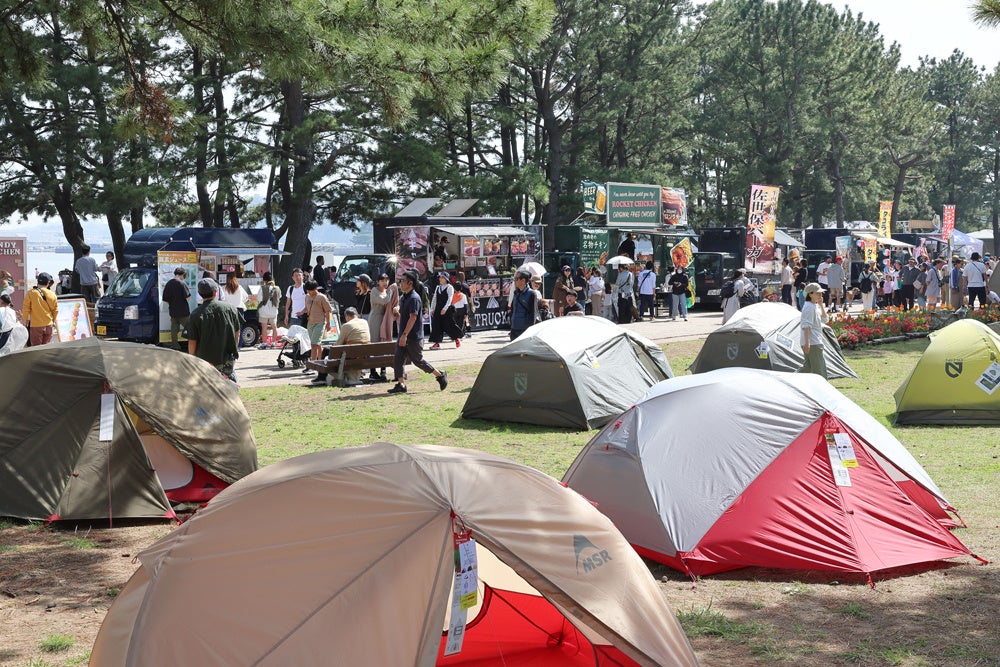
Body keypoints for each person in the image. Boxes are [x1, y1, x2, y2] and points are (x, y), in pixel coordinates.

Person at [388, 270, 447, 394]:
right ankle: (401, 384)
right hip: (404, 335)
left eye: (402, 281)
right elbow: (405, 312)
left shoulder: (414, 298)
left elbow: (413, 318)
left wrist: (404, 335)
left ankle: (440, 375)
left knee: (418, 361)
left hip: (413, 337)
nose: (400, 283)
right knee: (398, 359)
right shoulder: (404, 297)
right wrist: (398, 309)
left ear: (410, 283)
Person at [187, 278, 240, 382]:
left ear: (199, 293)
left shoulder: (195, 314)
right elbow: (237, 333)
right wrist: (235, 352)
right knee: (228, 387)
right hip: (226, 361)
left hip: (204, 363)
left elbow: (192, 342)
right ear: (215, 292)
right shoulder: (230, 309)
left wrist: (192, 360)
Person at [316, 307, 371, 386]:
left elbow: (338, 344)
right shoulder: (365, 322)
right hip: (364, 355)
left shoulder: (346, 325)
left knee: (325, 351)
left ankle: (321, 377)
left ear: (347, 316)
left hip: (351, 356)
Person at [366, 273, 395, 382]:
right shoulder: (374, 291)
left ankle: (383, 371)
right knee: (374, 345)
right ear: (377, 282)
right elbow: (384, 300)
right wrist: (391, 291)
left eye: (386, 280)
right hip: (375, 319)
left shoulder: (387, 291)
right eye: (382, 280)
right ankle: (373, 371)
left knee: (384, 344)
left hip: (385, 319)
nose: (385, 282)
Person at [799, 283, 828, 378]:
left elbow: (825, 319)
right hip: (813, 342)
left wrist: (821, 305)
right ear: (810, 294)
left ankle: (789, 381)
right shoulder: (809, 307)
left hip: (814, 341)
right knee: (819, 369)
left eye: (821, 293)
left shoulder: (814, 306)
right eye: (817, 293)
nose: (820, 295)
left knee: (808, 367)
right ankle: (823, 386)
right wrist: (807, 344)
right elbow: (806, 326)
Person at [428, 272, 463, 350]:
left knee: (450, 325)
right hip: (438, 309)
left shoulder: (449, 287)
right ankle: (437, 343)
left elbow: (450, 299)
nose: (440, 279)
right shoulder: (438, 287)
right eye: (440, 277)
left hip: (447, 310)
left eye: (442, 278)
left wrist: (445, 309)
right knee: (436, 325)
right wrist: (432, 309)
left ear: (446, 279)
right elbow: (434, 299)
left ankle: (456, 338)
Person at [22, 273, 59, 346]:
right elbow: (55, 310)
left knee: (36, 348)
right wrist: (52, 321)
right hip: (49, 325)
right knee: (46, 347)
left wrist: (25, 322)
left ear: (37, 281)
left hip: (36, 326)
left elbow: (26, 309)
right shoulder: (52, 294)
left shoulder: (30, 293)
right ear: (48, 283)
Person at [303, 279, 332, 370]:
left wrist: (328, 324)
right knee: (317, 344)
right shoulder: (307, 296)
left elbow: (328, 311)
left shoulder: (322, 297)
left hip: (320, 323)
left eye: (310, 290)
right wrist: (301, 312)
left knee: (314, 344)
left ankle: (312, 366)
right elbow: (307, 308)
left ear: (315, 288)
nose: (308, 292)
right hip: (310, 323)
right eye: (307, 290)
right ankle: (320, 362)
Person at [161, 267, 192, 351]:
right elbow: (188, 298)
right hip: (183, 312)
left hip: (173, 311)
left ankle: (176, 346)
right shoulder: (182, 283)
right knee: (190, 329)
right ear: (182, 275)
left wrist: (173, 303)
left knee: (174, 330)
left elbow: (165, 300)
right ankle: (192, 345)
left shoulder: (168, 284)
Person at [509, 270, 541, 340]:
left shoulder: (531, 294)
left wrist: (530, 332)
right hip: (514, 329)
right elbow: (513, 310)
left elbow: (533, 314)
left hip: (525, 330)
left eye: (516, 279)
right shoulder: (516, 293)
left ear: (523, 280)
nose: (514, 281)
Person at [256, 272, 282, 349]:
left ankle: (264, 343)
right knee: (274, 327)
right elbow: (279, 297)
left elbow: (259, 298)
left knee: (264, 327)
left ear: (264, 280)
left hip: (264, 311)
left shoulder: (262, 288)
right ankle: (273, 343)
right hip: (273, 311)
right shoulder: (277, 288)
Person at [454, 272, 474, 338]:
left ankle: (459, 333)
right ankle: (469, 332)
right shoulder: (466, 286)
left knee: (458, 321)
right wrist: (472, 305)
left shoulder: (455, 286)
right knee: (467, 319)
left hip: (457, 305)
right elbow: (470, 296)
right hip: (465, 304)